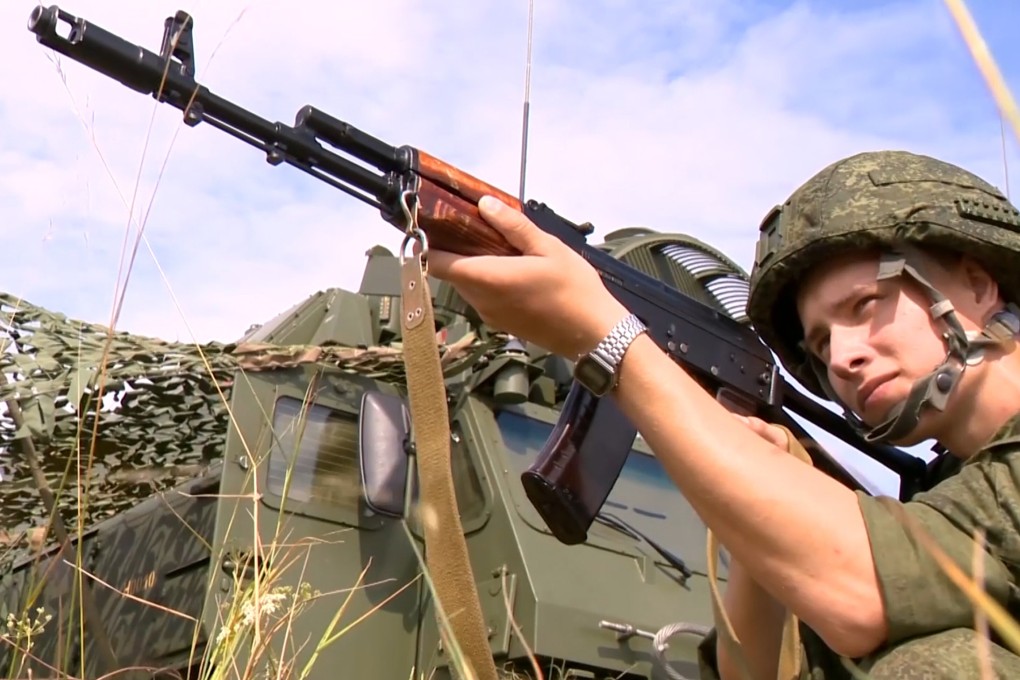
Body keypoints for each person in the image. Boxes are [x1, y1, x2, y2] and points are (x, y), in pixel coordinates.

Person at [427, 149, 1020, 679]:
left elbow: (863, 592)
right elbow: (752, 672)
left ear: (977, 283)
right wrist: (776, 480)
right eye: (819, 344)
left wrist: (609, 339)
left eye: (865, 305)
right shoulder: (945, 500)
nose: (842, 358)